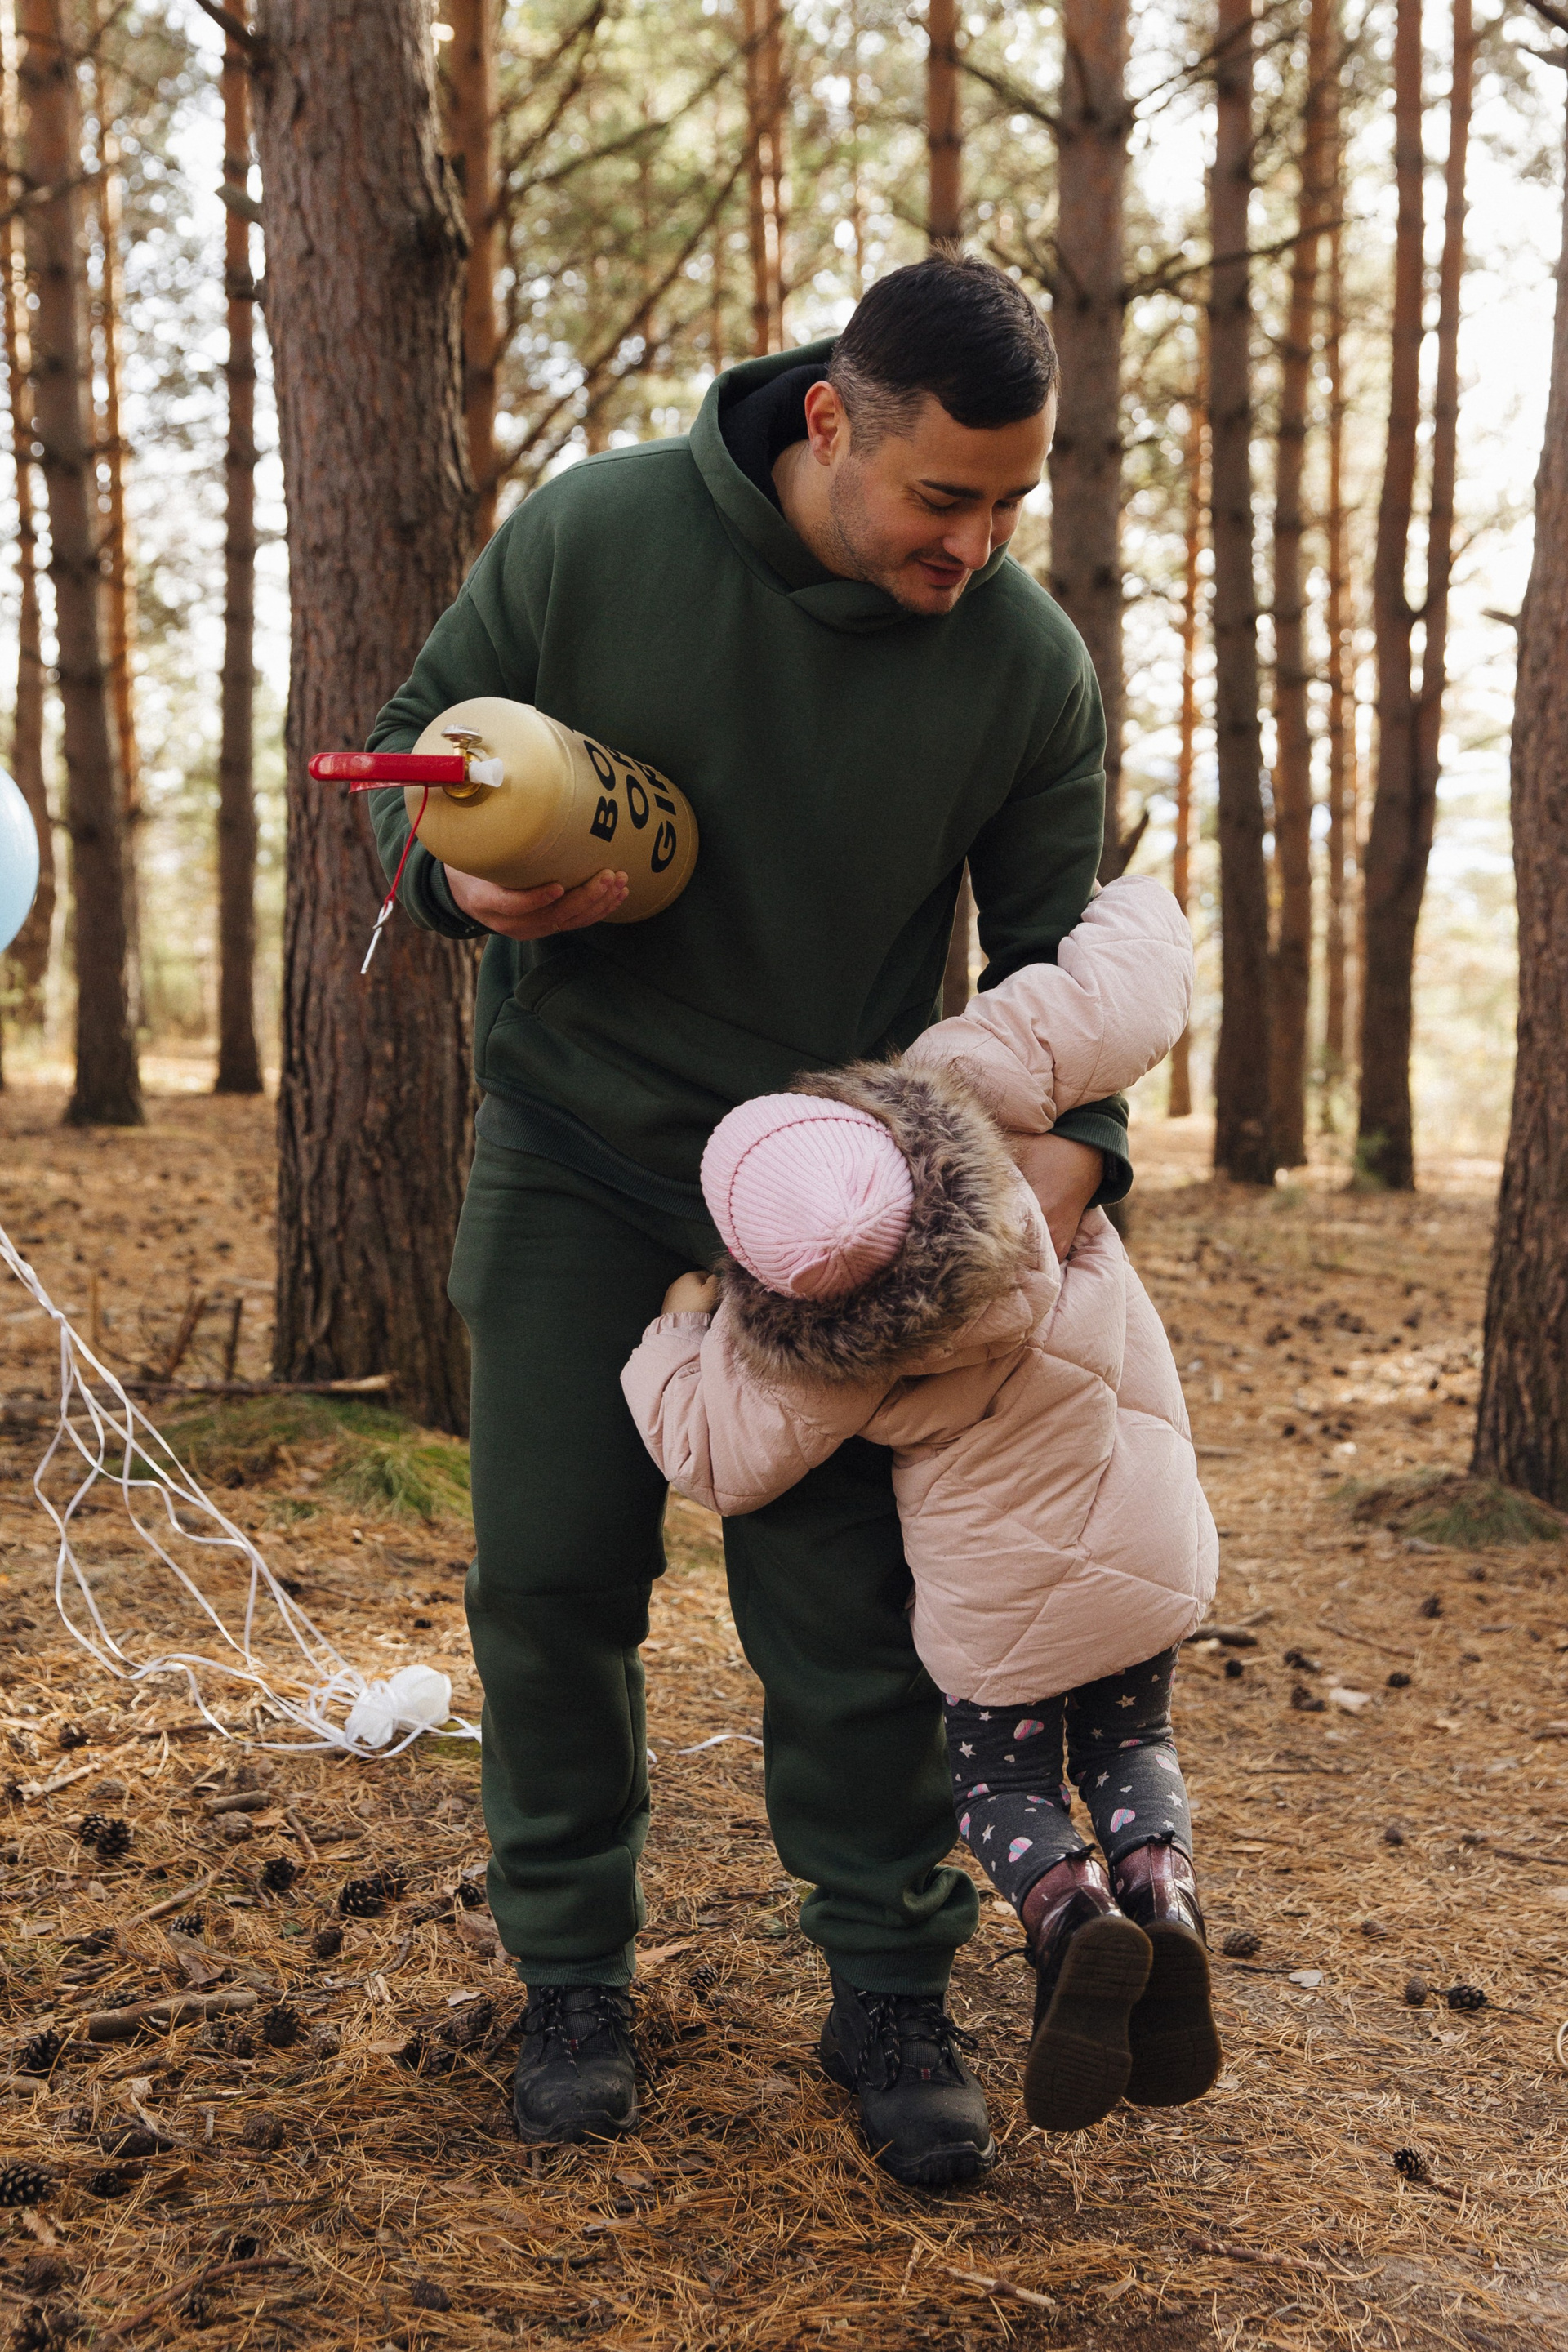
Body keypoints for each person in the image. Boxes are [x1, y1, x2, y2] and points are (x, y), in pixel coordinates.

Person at [368, 254, 1132, 2189]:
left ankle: (890, 1991)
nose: (975, 545)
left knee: (849, 1616)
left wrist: (1089, 1149)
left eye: (1010, 505)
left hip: (835, 1192)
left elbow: (1068, 955)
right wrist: (468, 888)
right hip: (575, 1147)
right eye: (942, 497)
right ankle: (571, 1983)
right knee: (550, 1588)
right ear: (827, 421)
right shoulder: (597, 538)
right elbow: (413, 753)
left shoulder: (1025, 666)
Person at [622, 877, 1223, 2149]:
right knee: (1131, 1742)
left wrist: (681, 1329)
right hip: (1148, 1540)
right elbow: (1119, 997)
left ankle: (1067, 1911)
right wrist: (1132, 903)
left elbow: (713, 1459)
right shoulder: (977, 1081)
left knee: (1001, 1783)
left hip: (998, 1615)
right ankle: (1161, 1892)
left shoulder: (810, 1361)